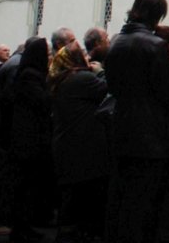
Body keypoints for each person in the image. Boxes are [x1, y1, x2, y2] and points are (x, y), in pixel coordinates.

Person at [104, 0, 169, 243]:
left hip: (121, 125)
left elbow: (112, 84)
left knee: (120, 194)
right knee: (145, 199)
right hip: (150, 132)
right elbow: (168, 91)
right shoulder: (155, 45)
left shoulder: (116, 42)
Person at [50, 42, 109, 243]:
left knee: (71, 193)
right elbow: (108, 89)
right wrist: (100, 72)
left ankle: (67, 232)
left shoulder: (62, 78)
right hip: (84, 144)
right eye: (83, 53)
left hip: (66, 142)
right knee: (85, 194)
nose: (87, 56)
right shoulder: (82, 78)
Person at [4, 37, 51, 243]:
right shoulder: (30, 76)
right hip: (28, 138)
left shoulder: (25, 73)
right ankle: (20, 228)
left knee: (26, 185)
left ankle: (23, 226)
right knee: (25, 186)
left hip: (25, 136)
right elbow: (41, 101)